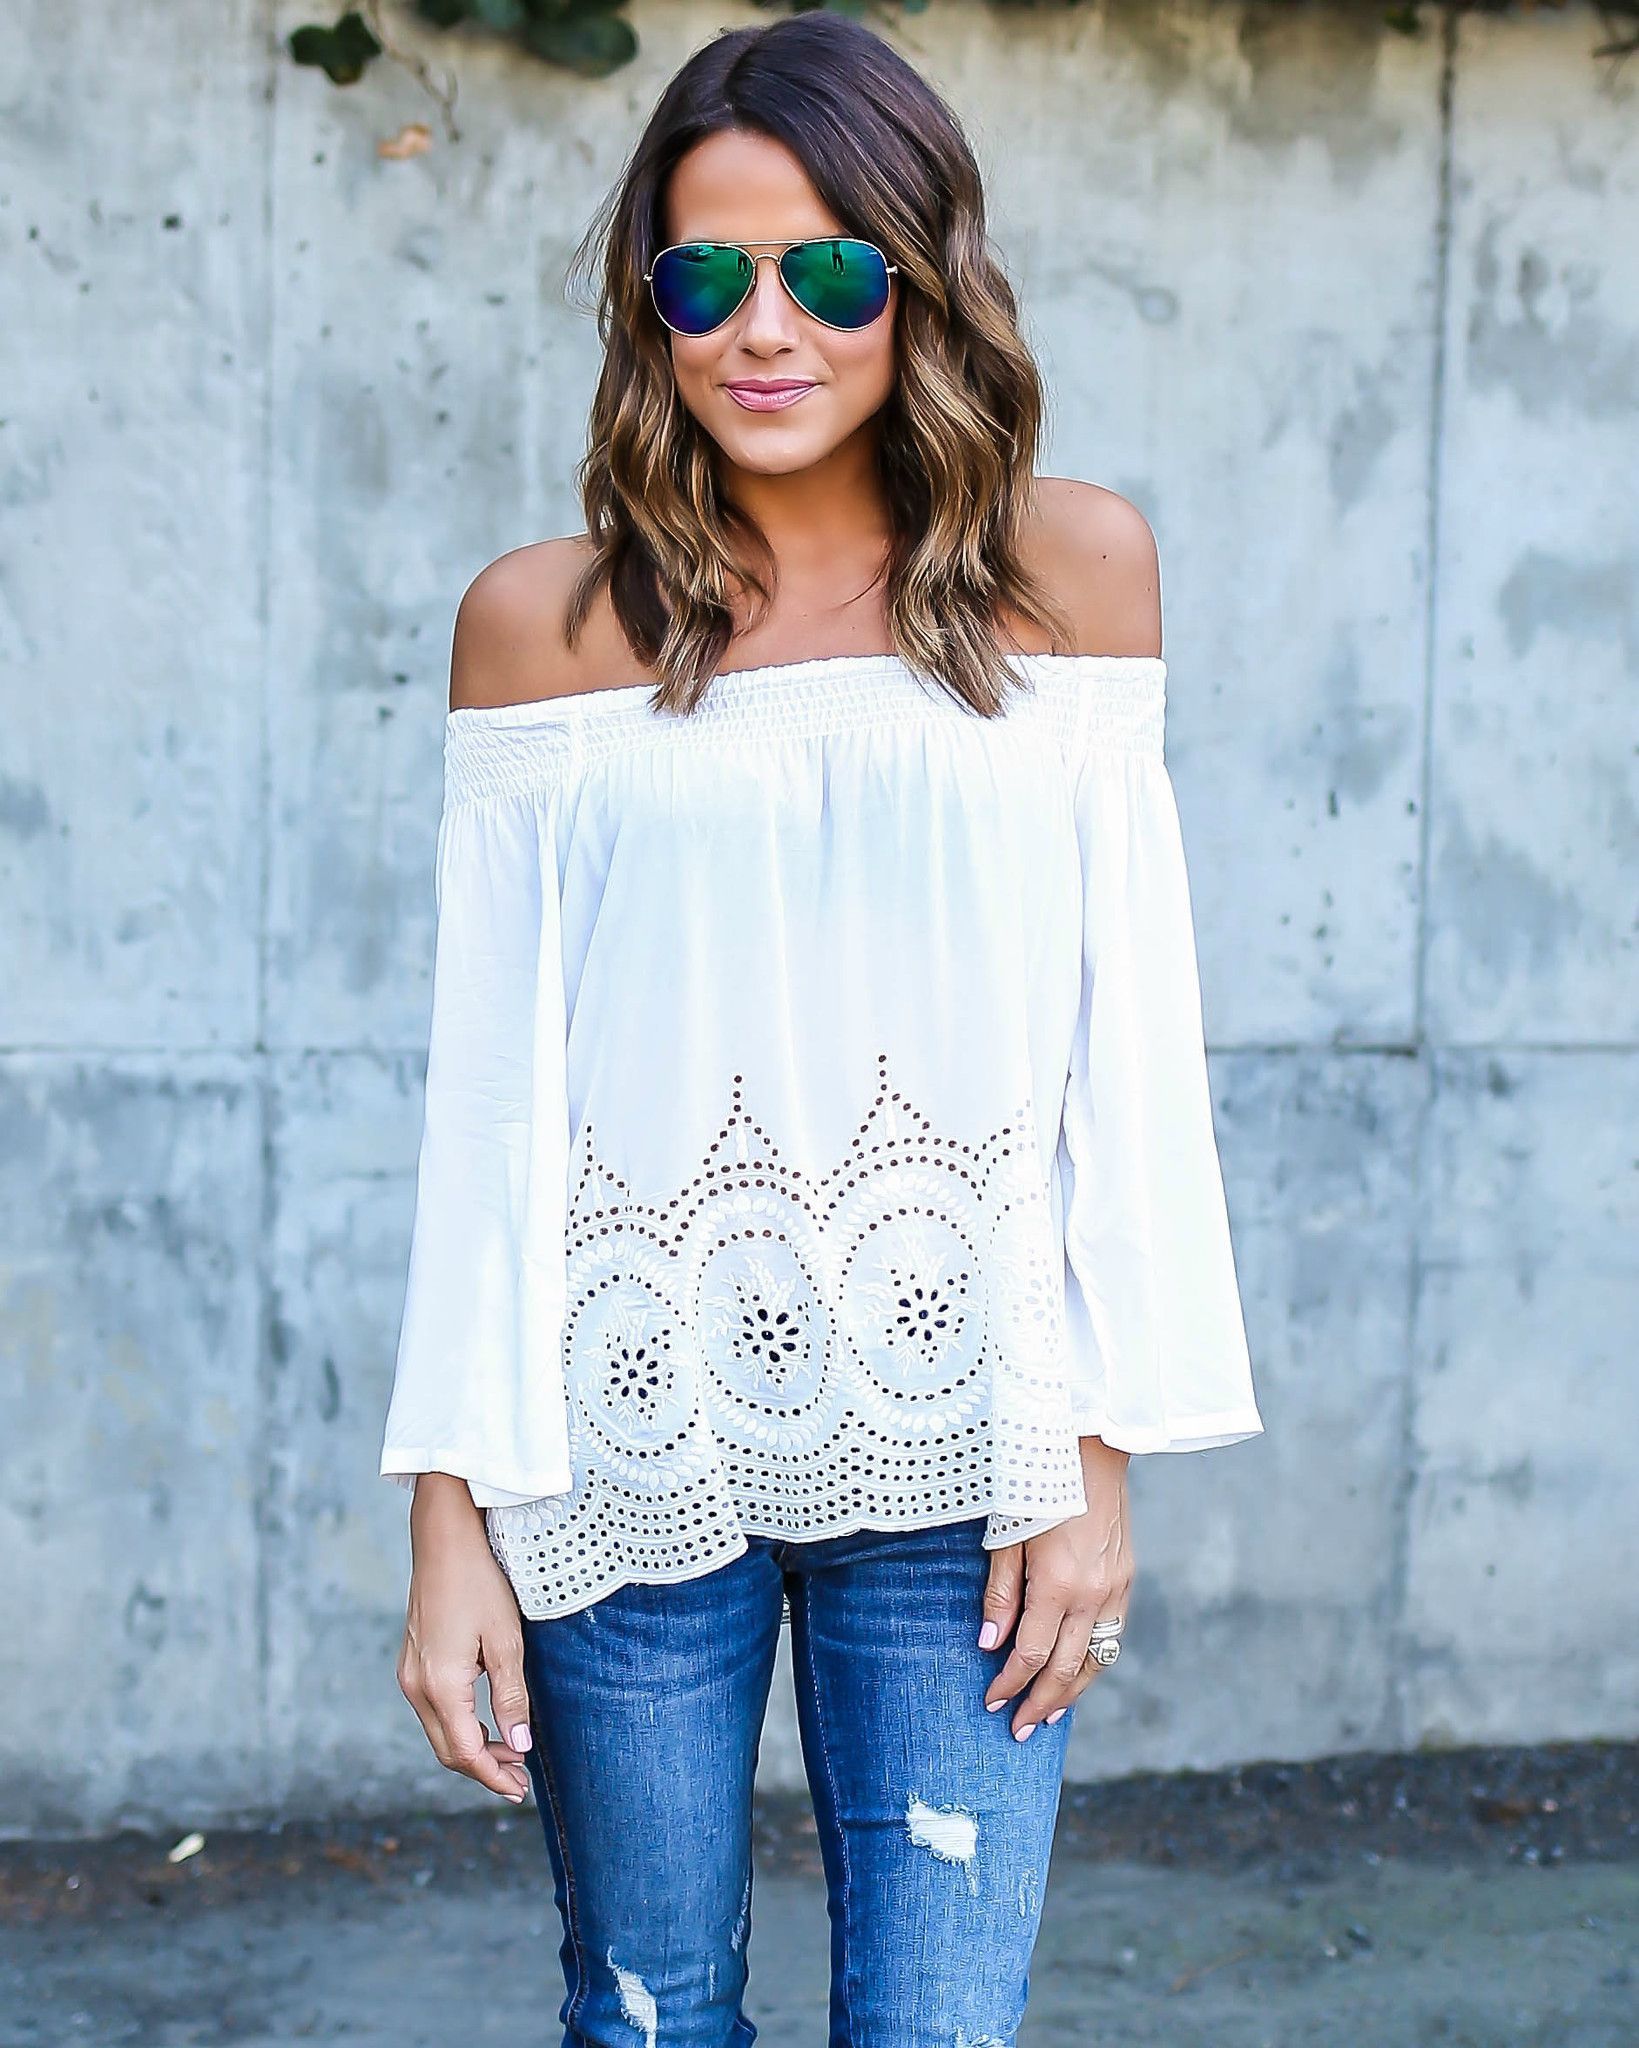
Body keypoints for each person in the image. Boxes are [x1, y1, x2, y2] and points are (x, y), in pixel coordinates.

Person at [379, 12, 1264, 2044]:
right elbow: (493, 1110)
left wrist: (1091, 1444)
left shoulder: (1074, 576)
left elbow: (1119, 1049)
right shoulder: (541, 625)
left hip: (970, 1443)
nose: (761, 326)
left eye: (828, 271)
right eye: (704, 277)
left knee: (935, 2028)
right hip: (611, 1440)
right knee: (649, 2013)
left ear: (919, 282)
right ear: (649, 311)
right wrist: (445, 1525)